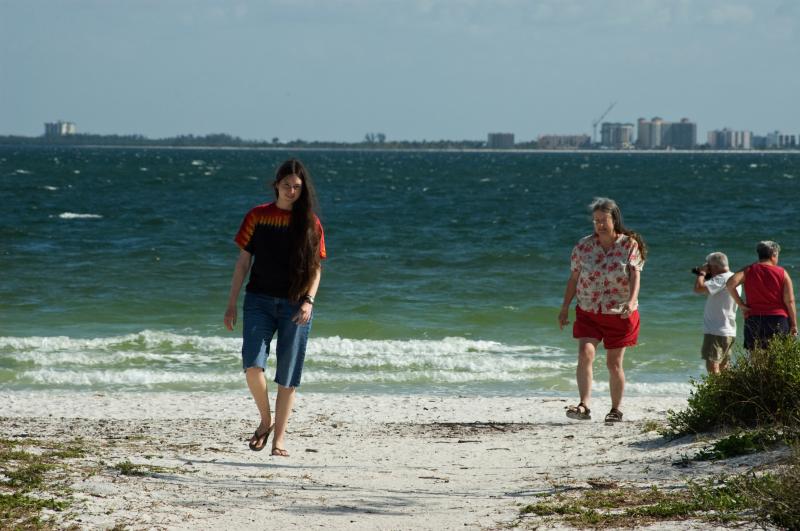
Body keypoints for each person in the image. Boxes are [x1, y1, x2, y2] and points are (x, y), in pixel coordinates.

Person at [224, 159, 326, 457]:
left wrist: (309, 301)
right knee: (252, 365)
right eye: (286, 186)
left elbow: (316, 269)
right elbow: (244, 262)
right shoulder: (257, 216)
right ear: (276, 186)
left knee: (288, 375)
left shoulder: (310, 223)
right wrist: (231, 303)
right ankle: (265, 420)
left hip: (296, 304)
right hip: (258, 300)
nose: (291, 192)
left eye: (297, 187)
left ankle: (279, 440)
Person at [558, 197, 646, 423]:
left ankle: (615, 410)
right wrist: (565, 307)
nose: (598, 225)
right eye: (595, 221)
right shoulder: (583, 246)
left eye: (603, 220)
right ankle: (584, 405)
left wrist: (632, 300)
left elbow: (635, 274)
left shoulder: (629, 245)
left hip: (620, 312)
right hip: (588, 310)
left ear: (614, 219)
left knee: (613, 363)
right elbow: (574, 278)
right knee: (584, 354)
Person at [726, 241, 797, 352]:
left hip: (754, 318)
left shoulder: (748, 270)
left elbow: (730, 284)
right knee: (777, 357)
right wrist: (793, 324)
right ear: (774, 255)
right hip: (778, 319)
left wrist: (741, 304)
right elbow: (790, 301)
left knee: (756, 359)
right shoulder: (782, 273)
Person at [692, 252, 738, 374]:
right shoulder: (733, 277)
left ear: (716, 267)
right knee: (724, 366)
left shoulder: (721, 278)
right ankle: (728, 391)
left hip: (716, 331)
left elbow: (698, 288)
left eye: (709, 267)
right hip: (729, 330)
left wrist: (702, 273)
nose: (708, 270)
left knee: (713, 366)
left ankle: (717, 392)